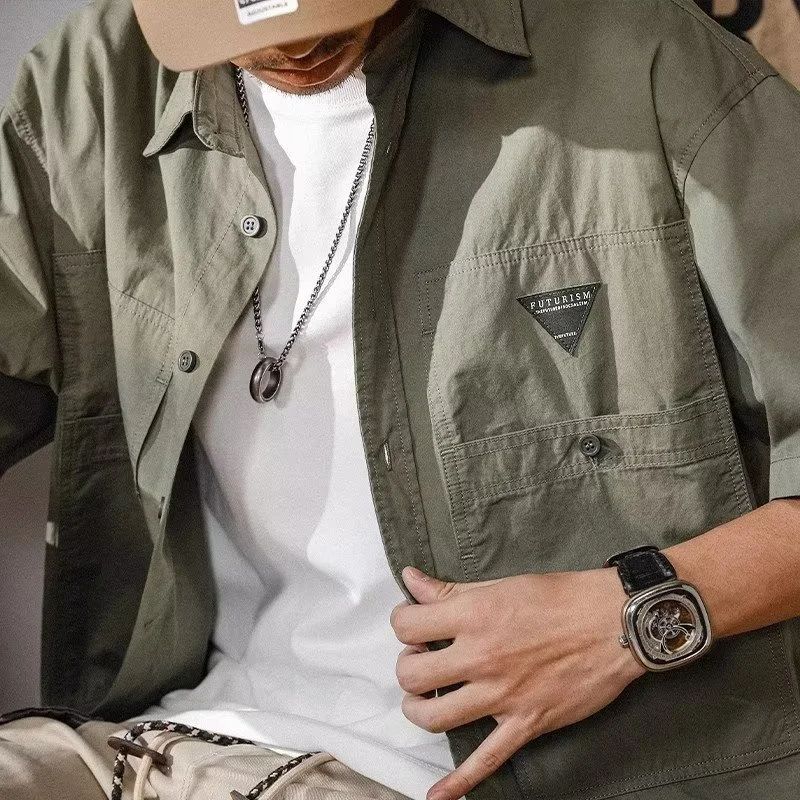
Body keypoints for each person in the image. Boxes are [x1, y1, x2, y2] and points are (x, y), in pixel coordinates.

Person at [1, 0, 799, 799]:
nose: (295, 45)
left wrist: (635, 613)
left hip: (469, 774)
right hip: (168, 743)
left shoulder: (641, 59)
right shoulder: (90, 87)